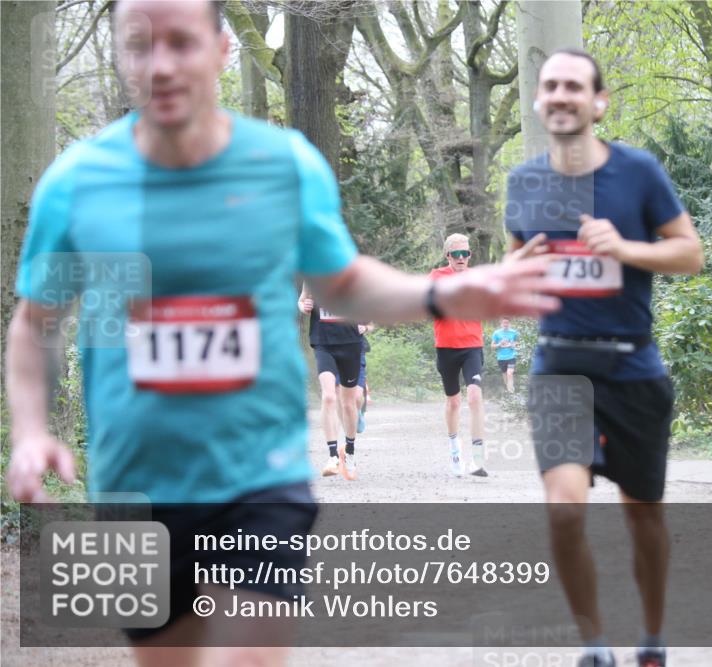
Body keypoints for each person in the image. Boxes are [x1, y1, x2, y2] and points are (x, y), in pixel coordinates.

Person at [3, 1, 557, 664]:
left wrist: (443, 293)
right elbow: (35, 324)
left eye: (182, 42)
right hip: (134, 481)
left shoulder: (282, 166)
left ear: (222, 49)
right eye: (140, 44)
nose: (162, 64)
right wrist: (31, 432)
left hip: (258, 472)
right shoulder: (77, 182)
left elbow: (342, 283)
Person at [504, 48, 704, 667]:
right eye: (550, 86)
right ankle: (594, 645)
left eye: (573, 85)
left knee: (643, 515)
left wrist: (624, 248)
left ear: (599, 102)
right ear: (539, 100)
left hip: (632, 365)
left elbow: (690, 253)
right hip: (559, 365)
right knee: (564, 510)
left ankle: (652, 636)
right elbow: (514, 270)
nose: (560, 95)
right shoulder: (524, 181)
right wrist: (514, 271)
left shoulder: (637, 171)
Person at [431, 234, 489, 478]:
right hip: (446, 347)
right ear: (448, 256)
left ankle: (477, 459)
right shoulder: (437, 277)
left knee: (474, 397)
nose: (462, 257)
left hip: (472, 346)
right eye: (457, 254)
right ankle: (455, 449)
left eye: (466, 253)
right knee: (453, 402)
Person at [297, 285, 363, 480]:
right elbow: (302, 300)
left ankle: (349, 452)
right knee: (328, 396)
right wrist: (304, 306)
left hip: (350, 342)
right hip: (323, 342)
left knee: (348, 404)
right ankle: (333, 456)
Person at [491, 318, 520, 392]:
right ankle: (508, 388)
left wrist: (512, 345)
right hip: (501, 358)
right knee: (504, 374)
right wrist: (499, 344)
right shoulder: (496, 333)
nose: (505, 324)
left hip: (511, 356)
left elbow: (517, 342)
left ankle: (511, 389)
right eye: (504, 323)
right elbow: (492, 346)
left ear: (510, 324)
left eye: (507, 323)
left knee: (509, 373)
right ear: (501, 324)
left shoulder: (513, 332)